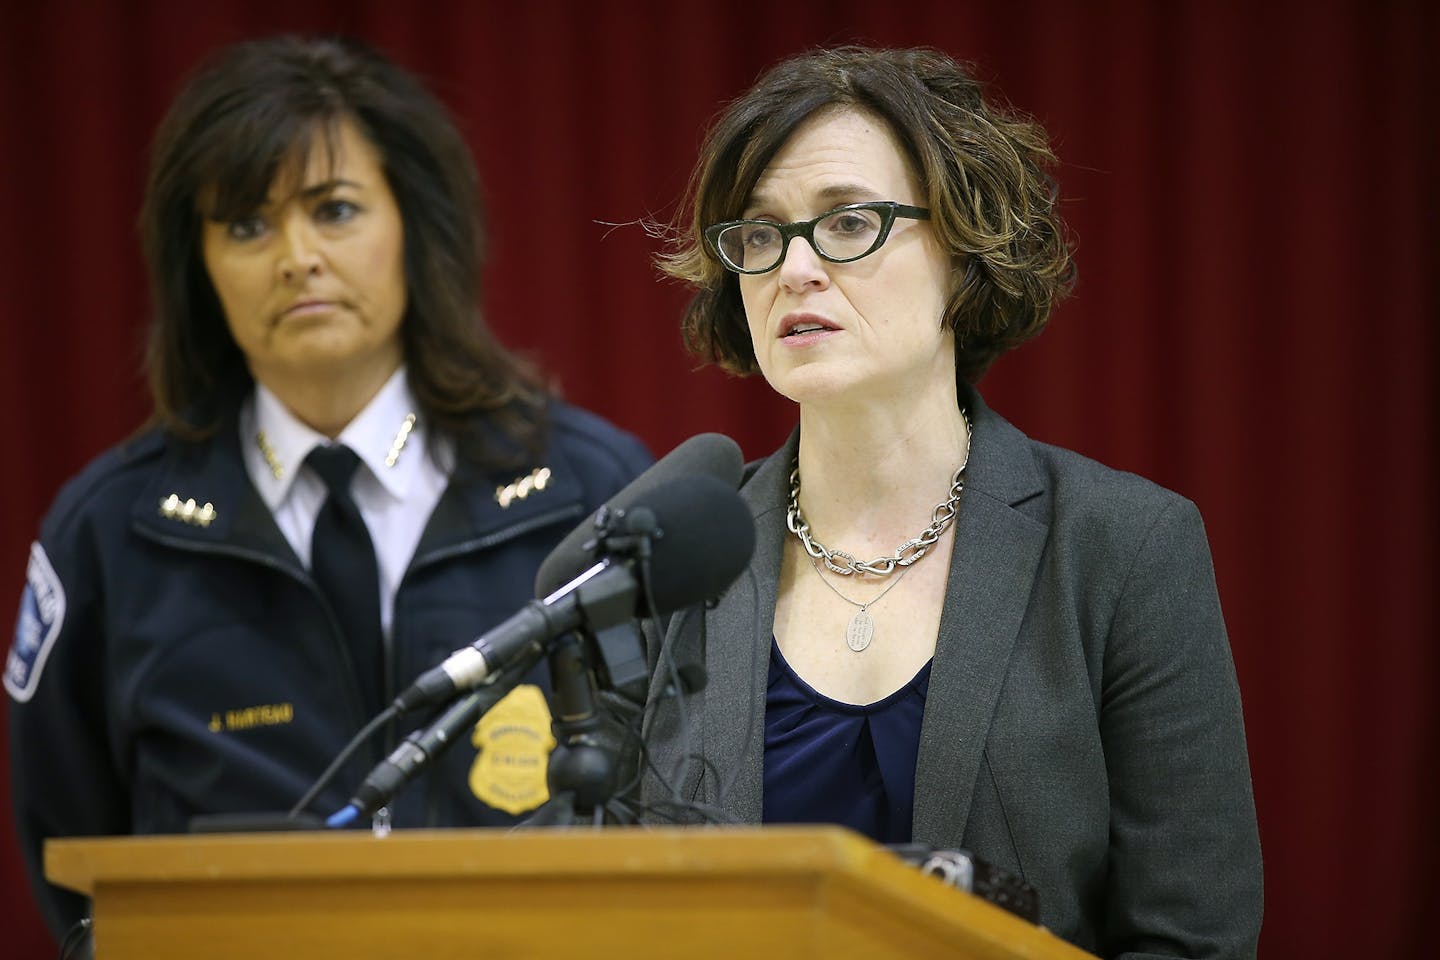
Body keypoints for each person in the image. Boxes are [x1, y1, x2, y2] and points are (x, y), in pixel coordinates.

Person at [5, 35, 651, 941]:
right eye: (246, 225)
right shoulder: (108, 535)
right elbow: (70, 862)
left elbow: (674, 793)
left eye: (334, 209)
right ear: (199, 267)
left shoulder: (592, 491)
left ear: (412, 230)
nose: (296, 256)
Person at [643, 46, 1262, 958]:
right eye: (761, 234)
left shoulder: (1124, 548)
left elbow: (1192, 937)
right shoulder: (673, 560)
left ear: (963, 247)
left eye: (847, 221)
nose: (795, 269)